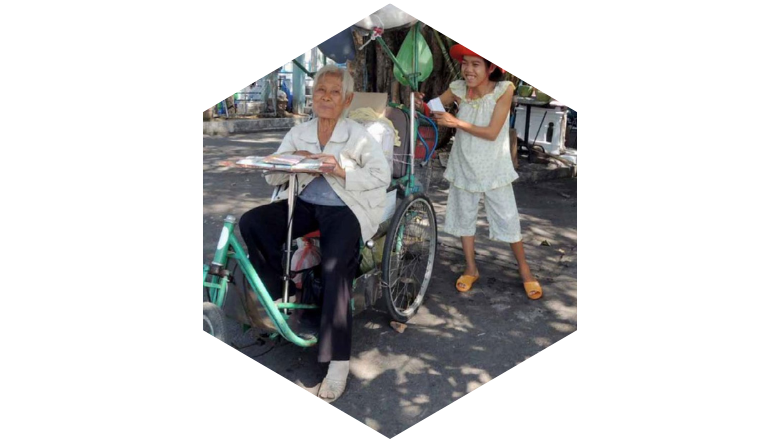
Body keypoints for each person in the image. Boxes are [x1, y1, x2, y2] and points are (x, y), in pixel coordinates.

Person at [239, 65, 391, 402]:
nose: (325, 96)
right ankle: (281, 299)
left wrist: (338, 167)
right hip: (304, 202)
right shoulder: (299, 132)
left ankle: (337, 363)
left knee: (336, 267)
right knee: (253, 222)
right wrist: (292, 160)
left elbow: (381, 174)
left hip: (346, 206)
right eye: (320, 89)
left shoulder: (359, 136)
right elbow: (272, 177)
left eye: (334, 91)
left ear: (347, 99)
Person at [415, 44, 543, 300]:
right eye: (465, 63)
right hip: (464, 162)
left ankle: (525, 270)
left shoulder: (503, 90)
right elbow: (434, 107)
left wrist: (456, 122)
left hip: (494, 166)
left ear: (491, 67)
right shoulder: (458, 88)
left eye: (475, 64)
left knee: (507, 217)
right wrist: (421, 104)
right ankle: (471, 268)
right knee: (464, 216)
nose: (468, 70)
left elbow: (493, 132)